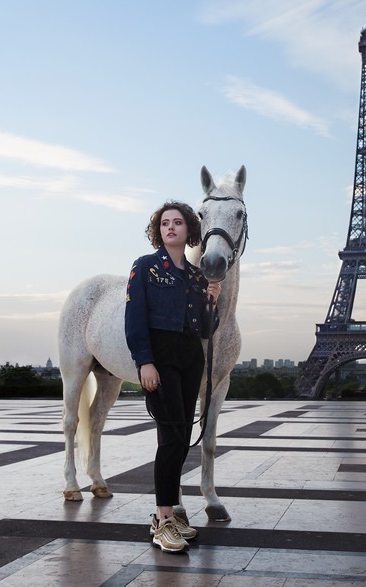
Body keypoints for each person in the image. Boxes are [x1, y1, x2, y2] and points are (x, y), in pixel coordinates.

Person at [125, 201, 221, 553]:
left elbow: (207, 331)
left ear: (189, 230)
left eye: (177, 222)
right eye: (164, 223)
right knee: (170, 440)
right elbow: (134, 319)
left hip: (189, 358)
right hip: (161, 359)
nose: (170, 228)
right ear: (158, 230)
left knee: (182, 440)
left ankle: (171, 515)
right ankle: (163, 519)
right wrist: (144, 362)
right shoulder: (146, 268)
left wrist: (212, 301)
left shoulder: (197, 277)